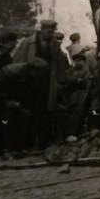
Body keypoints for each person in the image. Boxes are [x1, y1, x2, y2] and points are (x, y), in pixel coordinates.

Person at [12, 19, 66, 149]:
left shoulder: (54, 45)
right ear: (41, 30)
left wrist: (60, 81)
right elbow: (17, 62)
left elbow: (59, 65)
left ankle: (42, 144)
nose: (51, 33)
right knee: (28, 113)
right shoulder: (28, 43)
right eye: (48, 30)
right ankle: (27, 144)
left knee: (45, 114)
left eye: (52, 31)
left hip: (47, 86)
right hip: (29, 85)